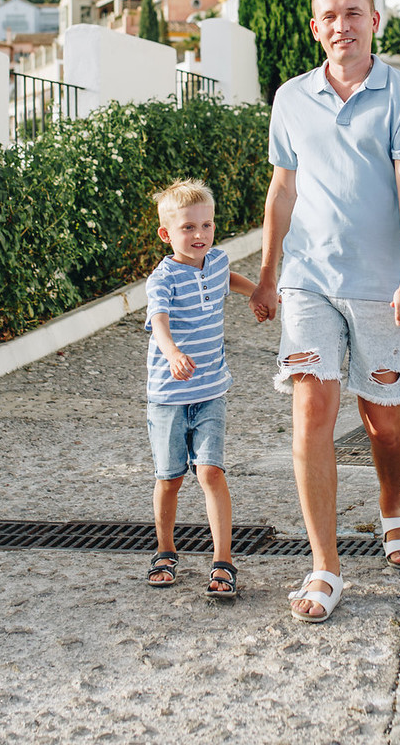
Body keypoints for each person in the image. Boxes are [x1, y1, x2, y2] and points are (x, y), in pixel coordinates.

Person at [250, 0, 400, 624]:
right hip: (307, 283)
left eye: (353, 13)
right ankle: (324, 566)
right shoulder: (291, 98)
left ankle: (391, 504)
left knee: (383, 420)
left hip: (380, 287)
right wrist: (269, 271)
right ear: (314, 27)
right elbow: (282, 190)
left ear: (374, 21)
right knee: (311, 410)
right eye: (329, 16)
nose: (341, 26)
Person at [143, 179, 256, 600]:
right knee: (170, 478)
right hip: (169, 397)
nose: (200, 235)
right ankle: (165, 550)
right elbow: (158, 321)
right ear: (167, 234)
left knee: (210, 471)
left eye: (207, 225)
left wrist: (261, 294)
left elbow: (230, 278)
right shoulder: (163, 278)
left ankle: (223, 560)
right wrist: (171, 352)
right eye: (188, 227)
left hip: (210, 390)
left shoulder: (217, 260)